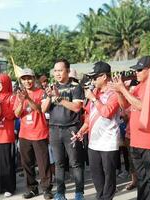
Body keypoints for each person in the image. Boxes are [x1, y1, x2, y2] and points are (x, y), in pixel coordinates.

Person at [110, 56, 150, 200]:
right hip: (136, 141)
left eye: (140, 70)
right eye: (136, 70)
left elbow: (143, 106)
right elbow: (125, 106)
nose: (137, 73)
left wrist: (124, 89)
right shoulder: (139, 86)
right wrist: (119, 91)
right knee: (142, 180)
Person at [73, 61, 120, 200]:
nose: (92, 81)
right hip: (94, 142)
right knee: (96, 175)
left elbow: (107, 112)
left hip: (109, 142)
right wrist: (81, 131)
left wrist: (93, 99)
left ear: (104, 76)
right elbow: (89, 116)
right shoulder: (94, 92)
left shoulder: (114, 92)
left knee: (109, 176)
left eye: (95, 78)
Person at [41, 58, 85, 200]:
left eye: (60, 70)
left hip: (71, 129)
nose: (58, 73)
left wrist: (59, 99)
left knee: (75, 163)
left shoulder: (75, 87)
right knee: (59, 163)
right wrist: (49, 96)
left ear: (67, 71)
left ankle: (79, 193)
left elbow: (77, 108)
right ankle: (60, 193)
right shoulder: (50, 88)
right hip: (54, 129)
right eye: (55, 71)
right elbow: (43, 109)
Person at [14, 68, 53, 199]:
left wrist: (28, 99)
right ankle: (32, 188)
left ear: (34, 78)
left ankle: (46, 189)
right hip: (24, 134)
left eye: (29, 78)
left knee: (43, 163)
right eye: (24, 79)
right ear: (21, 81)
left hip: (39, 133)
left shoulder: (41, 93)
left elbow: (40, 110)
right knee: (27, 164)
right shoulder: (19, 95)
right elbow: (17, 114)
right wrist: (21, 101)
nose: (27, 81)